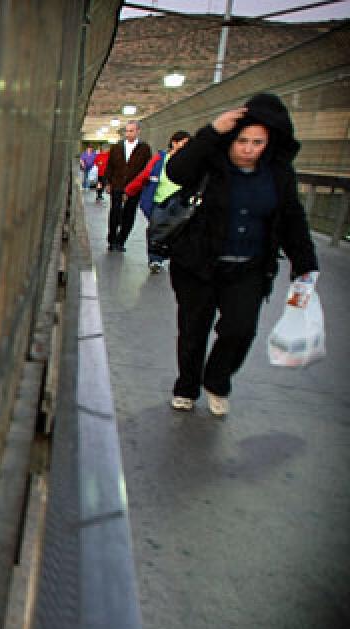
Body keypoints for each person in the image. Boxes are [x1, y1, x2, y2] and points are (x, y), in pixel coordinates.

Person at [163, 94, 318, 417]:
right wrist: (212, 131)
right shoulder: (210, 162)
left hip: (248, 267)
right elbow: (177, 171)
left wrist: (305, 264)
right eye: (242, 140)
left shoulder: (278, 174)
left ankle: (217, 382)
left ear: (270, 142)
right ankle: (186, 387)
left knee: (240, 328)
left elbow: (292, 218)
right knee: (193, 330)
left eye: (257, 142)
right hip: (198, 264)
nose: (248, 149)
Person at [124, 130, 190, 273]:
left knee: (179, 231)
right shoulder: (160, 159)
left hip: (180, 201)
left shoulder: (190, 162)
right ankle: (155, 259)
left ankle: (173, 256)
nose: (186, 148)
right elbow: (145, 175)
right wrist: (130, 190)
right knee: (156, 230)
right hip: (159, 201)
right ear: (174, 143)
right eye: (184, 144)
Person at [105, 120, 153, 251]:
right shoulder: (116, 147)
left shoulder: (144, 148)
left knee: (129, 214)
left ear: (137, 131)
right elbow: (110, 166)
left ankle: (121, 241)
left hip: (134, 186)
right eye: (127, 131)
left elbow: (147, 168)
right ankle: (112, 239)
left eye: (131, 131)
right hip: (117, 184)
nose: (128, 133)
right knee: (115, 212)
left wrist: (143, 185)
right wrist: (108, 182)